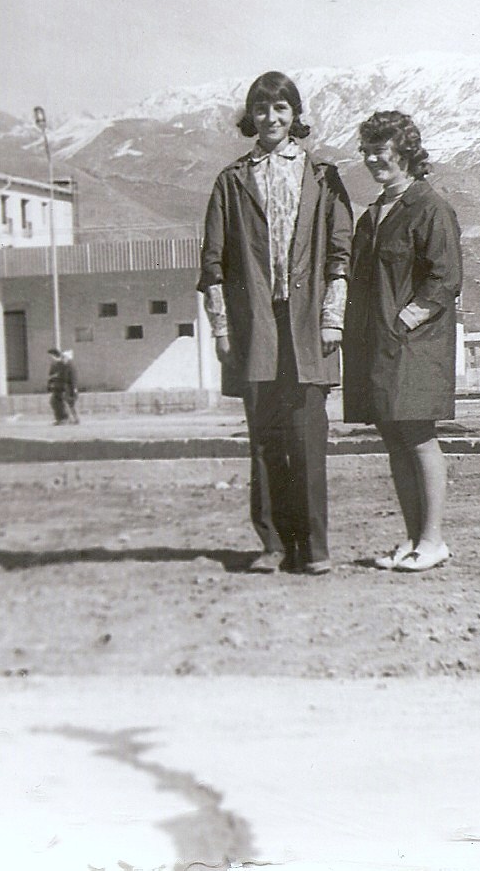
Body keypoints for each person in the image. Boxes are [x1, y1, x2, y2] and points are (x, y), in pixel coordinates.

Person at [197, 71, 353, 576]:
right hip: (255, 329)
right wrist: (222, 328)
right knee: (265, 439)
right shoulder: (231, 180)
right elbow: (213, 264)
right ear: (251, 116)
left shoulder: (323, 177)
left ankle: (315, 547)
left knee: (308, 439)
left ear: (295, 115)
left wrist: (333, 320)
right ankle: (273, 544)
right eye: (262, 109)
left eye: (281, 108)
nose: (271, 118)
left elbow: (340, 255)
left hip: (308, 327)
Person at [344, 111, 463, 574]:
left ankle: (433, 540)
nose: (375, 159)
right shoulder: (373, 214)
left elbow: (445, 277)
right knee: (394, 437)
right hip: (379, 346)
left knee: (417, 436)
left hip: (415, 346)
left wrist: (404, 320)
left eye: (383, 150)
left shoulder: (430, 207)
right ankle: (415, 540)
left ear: (407, 152)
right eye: (368, 150)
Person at [46, 347, 72, 424]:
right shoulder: (54, 364)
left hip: (61, 386)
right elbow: (51, 375)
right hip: (56, 385)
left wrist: (55, 377)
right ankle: (60, 418)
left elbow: (63, 375)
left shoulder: (61, 364)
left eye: (51, 356)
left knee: (59, 402)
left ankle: (64, 418)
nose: (50, 358)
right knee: (54, 402)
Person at [62, 349, 80, 425]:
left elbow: (73, 378)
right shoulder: (68, 366)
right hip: (68, 388)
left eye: (64, 357)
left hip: (70, 389)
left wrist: (75, 388)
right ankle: (73, 419)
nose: (63, 359)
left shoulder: (70, 366)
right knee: (70, 404)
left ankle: (75, 419)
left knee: (70, 404)